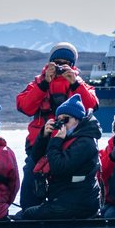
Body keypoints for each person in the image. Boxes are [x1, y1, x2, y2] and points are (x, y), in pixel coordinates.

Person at [16, 42, 99, 210]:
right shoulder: (38, 83)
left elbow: (92, 105)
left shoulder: (80, 85)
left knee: (70, 180)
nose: (61, 66)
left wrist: (75, 84)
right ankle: (28, 214)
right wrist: (44, 84)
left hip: (71, 146)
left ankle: (63, 212)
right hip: (40, 144)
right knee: (32, 173)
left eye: (66, 63)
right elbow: (25, 107)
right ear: (50, 63)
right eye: (57, 62)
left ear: (72, 65)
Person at [14, 93, 102, 221]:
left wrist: (56, 142)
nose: (62, 124)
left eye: (65, 120)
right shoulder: (67, 138)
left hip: (77, 203)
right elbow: (35, 158)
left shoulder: (85, 142)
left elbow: (60, 167)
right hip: (64, 198)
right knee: (26, 212)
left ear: (77, 120)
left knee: (28, 215)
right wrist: (44, 136)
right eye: (58, 120)